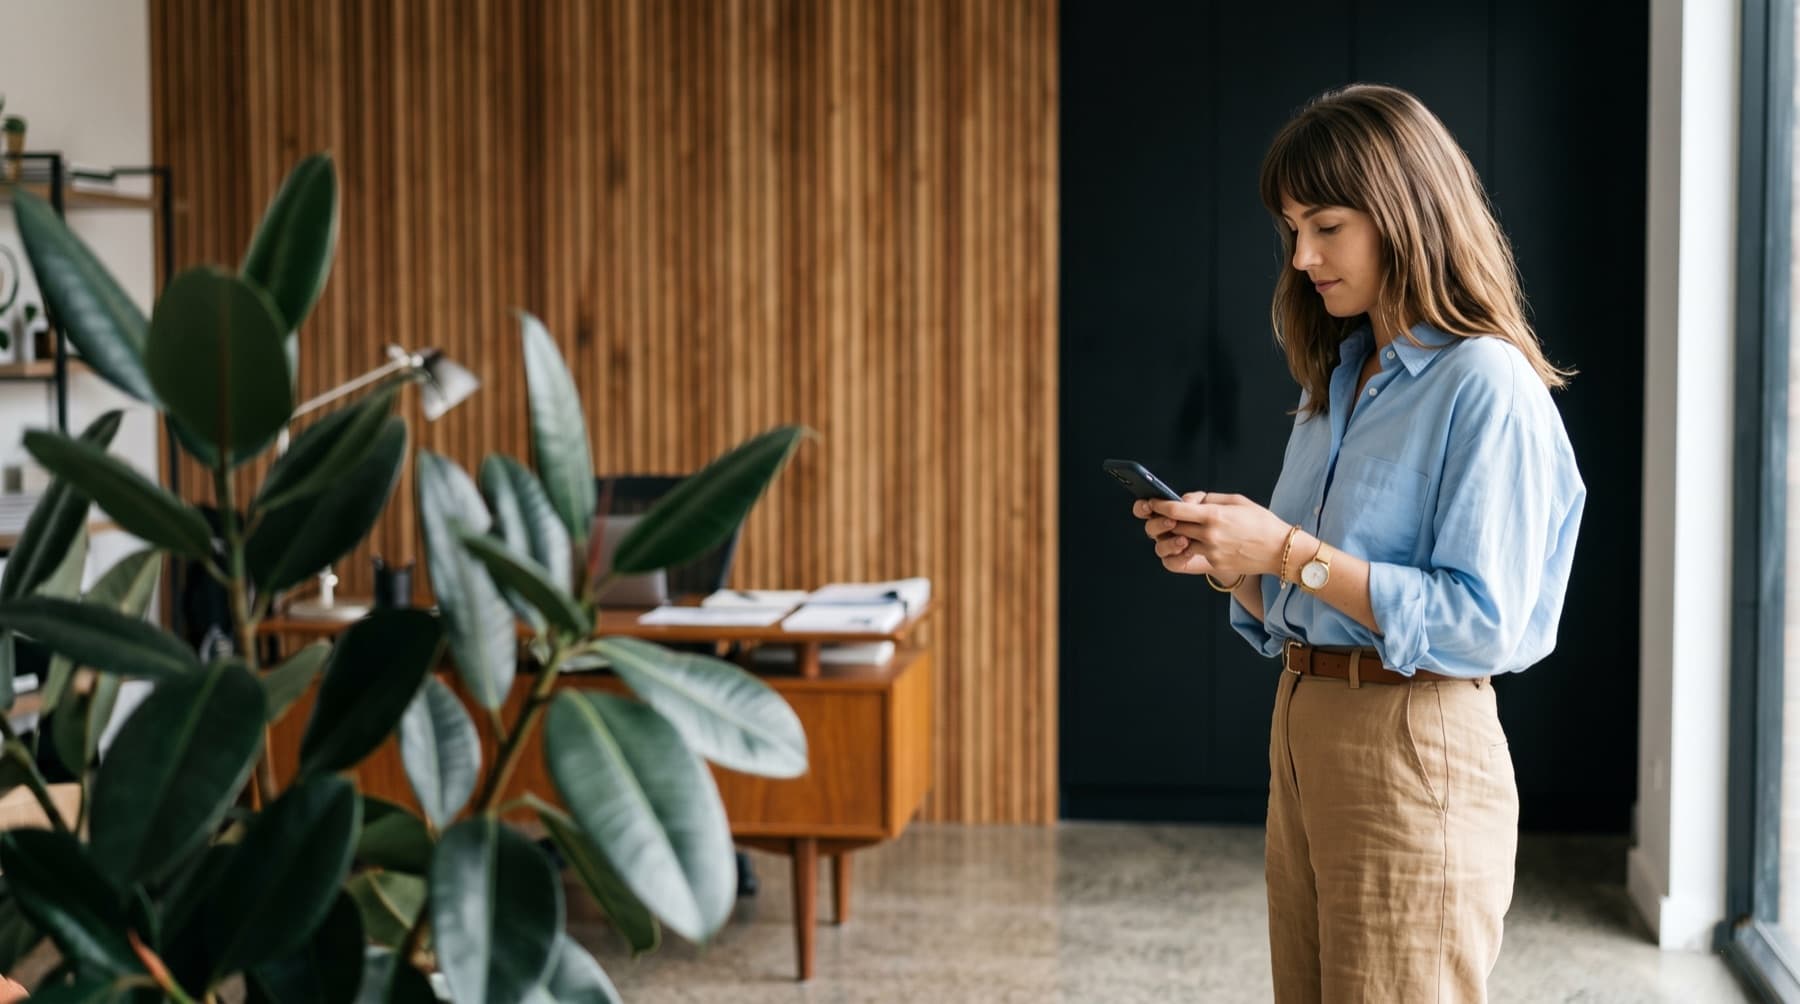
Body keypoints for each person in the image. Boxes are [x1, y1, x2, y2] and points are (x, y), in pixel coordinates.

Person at [1132, 84, 1585, 1002]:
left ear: (1406, 216)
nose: (1301, 257)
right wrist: (1236, 566)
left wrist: (1287, 547)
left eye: (1326, 225)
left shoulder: (1483, 383)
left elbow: (1483, 622)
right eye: (1291, 227)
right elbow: (1318, 599)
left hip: (1413, 747)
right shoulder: (1340, 381)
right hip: (1305, 732)